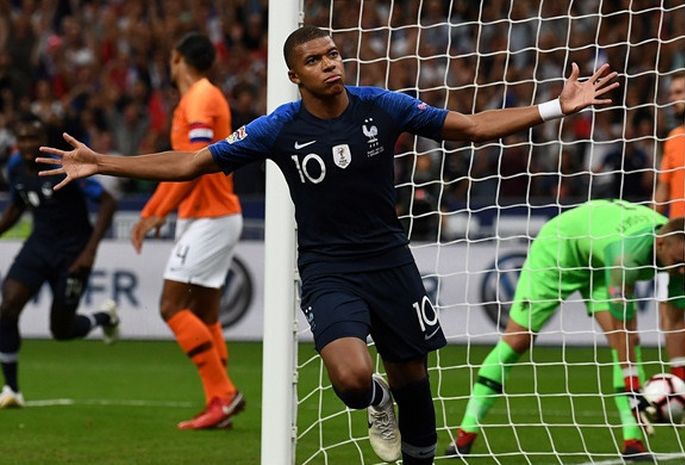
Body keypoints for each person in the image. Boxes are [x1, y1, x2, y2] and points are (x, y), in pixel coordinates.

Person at [36, 25, 617, 464]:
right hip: (328, 267)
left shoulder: (381, 106)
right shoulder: (278, 127)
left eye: (333, 55)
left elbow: (467, 127)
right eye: (314, 61)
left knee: (415, 377)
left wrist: (553, 108)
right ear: (295, 75)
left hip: (390, 260)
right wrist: (103, 162)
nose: (329, 65)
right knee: (352, 378)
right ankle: (375, 404)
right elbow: (191, 161)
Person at [445, 200, 685, 461]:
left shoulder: (682, 250)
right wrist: (634, 388)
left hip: (599, 263)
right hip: (560, 249)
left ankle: (633, 443)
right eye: (677, 262)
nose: (682, 269)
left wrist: (681, 381)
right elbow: (624, 324)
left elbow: (675, 320)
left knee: (626, 344)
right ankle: (464, 436)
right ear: (659, 245)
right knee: (517, 341)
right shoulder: (628, 256)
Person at [129, 32, 245, 430]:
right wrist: (151, 212)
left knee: (171, 307)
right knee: (205, 313)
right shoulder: (198, 98)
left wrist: (158, 213)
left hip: (210, 216)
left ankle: (224, 394)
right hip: (208, 214)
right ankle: (218, 402)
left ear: (177, 58)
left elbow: (195, 166)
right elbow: (178, 168)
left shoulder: (199, 98)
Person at [0, 115, 118, 408]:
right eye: (23, 138)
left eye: (33, 138)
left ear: (44, 141)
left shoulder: (62, 165)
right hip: (39, 246)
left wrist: (89, 252)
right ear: (17, 143)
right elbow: (18, 204)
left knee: (61, 331)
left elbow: (108, 203)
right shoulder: (15, 167)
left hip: (73, 253)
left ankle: (104, 317)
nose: (28, 144)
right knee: (7, 307)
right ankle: (12, 389)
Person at [654, 71, 685, 382]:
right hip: (674, 243)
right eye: (671, 93)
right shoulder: (672, 139)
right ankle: (681, 388)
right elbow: (662, 189)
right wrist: (653, 225)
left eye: (679, 91)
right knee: (668, 317)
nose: (673, 98)